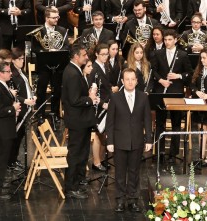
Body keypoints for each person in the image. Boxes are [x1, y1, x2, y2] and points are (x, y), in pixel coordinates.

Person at [106, 68, 152, 212]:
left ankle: (133, 199)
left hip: (137, 141)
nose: (130, 82)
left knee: (134, 172)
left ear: (137, 81)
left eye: (133, 79)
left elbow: (147, 120)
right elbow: (110, 122)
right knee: (119, 173)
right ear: (122, 81)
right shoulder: (115, 97)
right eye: (127, 79)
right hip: (119, 141)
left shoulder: (143, 97)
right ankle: (120, 200)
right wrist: (110, 142)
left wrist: (149, 140)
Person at [62, 44, 97, 199]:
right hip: (77, 121)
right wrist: (90, 99)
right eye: (84, 55)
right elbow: (75, 99)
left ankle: (79, 180)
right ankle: (71, 187)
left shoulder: (75, 71)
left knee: (82, 153)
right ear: (76, 56)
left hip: (81, 120)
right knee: (76, 154)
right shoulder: (72, 73)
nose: (86, 57)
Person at [151, 29, 192, 163]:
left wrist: (178, 76)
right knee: (160, 123)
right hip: (161, 91)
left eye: (170, 40)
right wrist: (161, 80)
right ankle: (160, 152)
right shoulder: (157, 53)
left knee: (176, 123)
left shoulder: (183, 54)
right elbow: (154, 71)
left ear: (175, 40)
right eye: (165, 40)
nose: (167, 42)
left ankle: (173, 154)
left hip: (176, 92)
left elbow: (189, 73)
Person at [0, 60, 21, 200]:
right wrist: (12, 109)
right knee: (0, 160)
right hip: (2, 130)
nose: (11, 73)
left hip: (4, 128)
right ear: (1, 73)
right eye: (8, 71)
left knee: (0, 158)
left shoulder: (2, 85)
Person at [32, 8, 70, 123]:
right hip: (43, 66)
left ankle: (55, 113)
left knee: (57, 91)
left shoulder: (62, 30)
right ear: (47, 18)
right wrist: (47, 51)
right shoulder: (38, 31)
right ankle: (40, 114)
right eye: (54, 18)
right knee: (41, 91)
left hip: (58, 66)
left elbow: (67, 47)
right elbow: (34, 48)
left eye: (57, 17)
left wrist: (56, 50)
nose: (56, 19)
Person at [7, 48, 36, 172]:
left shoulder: (20, 71)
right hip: (19, 109)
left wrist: (32, 96)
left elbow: (25, 87)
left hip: (26, 107)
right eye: (20, 59)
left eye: (23, 58)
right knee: (16, 136)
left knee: (20, 136)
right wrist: (25, 100)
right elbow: (10, 94)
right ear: (13, 60)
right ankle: (10, 161)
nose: (22, 61)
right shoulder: (11, 74)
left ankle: (14, 159)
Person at [89, 43, 112, 172]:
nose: (105, 56)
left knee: (103, 134)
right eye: (102, 54)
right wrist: (102, 103)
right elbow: (92, 91)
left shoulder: (105, 66)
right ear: (97, 54)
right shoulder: (94, 69)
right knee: (98, 134)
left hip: (106, 104)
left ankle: (101, 160)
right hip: (99, 106)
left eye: (106, 54)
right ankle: (96, 162)